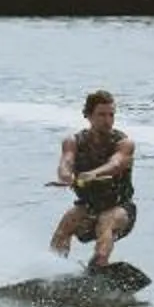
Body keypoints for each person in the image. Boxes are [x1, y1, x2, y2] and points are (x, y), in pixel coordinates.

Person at [50, 89, 136, 271]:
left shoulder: (123, 143)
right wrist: (67, 177)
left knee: (107, 220)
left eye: (111, 115)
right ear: (88, 116)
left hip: (120, 208)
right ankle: (53, 272)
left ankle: (98, 266)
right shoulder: (73, 141)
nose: (107, 120)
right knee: (67, 222)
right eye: (101, 115)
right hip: (87, 207)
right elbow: (65, 163)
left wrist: (93, 174)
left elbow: (115, 164)